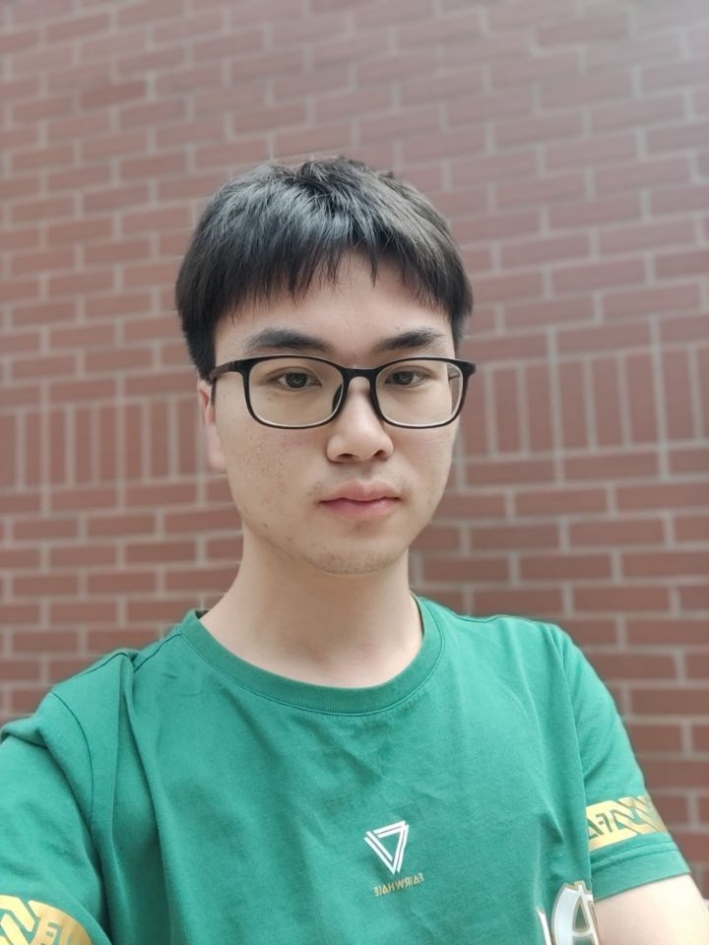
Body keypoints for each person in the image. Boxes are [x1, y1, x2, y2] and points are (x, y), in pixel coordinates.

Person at [0, 157, 707, 945]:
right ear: (211, 418)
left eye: (406, 375)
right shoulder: (78, 764)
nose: (361, 436)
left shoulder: (546, 686)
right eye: (294, 379)